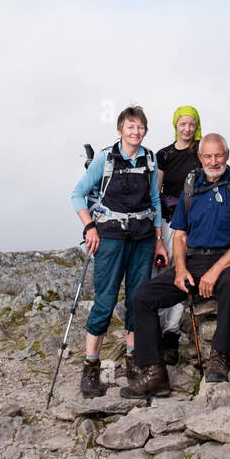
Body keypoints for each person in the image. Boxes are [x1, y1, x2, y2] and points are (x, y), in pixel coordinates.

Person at [124, 133, 230, 396]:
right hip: (194, 260)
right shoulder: (190, 190)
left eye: (218, 155)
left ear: (227, 156)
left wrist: (215, 270)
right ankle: (154, 373)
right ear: (200, 157)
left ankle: (220, 354)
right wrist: (181, 269)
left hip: (228, 259)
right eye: (207, 156)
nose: (213, 161)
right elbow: (180, 236)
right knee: (143, 297)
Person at [71, 105, 167, 397]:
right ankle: (91, 370)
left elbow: (154, 199)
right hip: (110, 237)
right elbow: (77, 194)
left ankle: (133, 363)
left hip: (143, 236)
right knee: (106, 299)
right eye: (130, 127)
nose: (135, 132)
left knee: (138, 299)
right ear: (120, 130)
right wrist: (90, 228)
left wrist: (159, 238)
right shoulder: (105, 158)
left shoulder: (149, 158)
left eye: (140, 128)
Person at [154, 105, 203, 364]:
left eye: (191, 124)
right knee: (162, 273)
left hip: (193, 223)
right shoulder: (164, 154)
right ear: (176, 125)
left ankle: (171, 335)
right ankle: (156, 331)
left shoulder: (201, 153)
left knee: (180, 274)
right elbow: (156, 191)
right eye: (183, 124)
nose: (187, 129)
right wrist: (158, 232)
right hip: (168, 220)